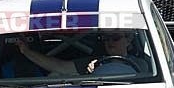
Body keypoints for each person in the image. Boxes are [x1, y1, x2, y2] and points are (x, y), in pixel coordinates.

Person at [14, 31, 150, 76]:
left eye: (115, 38)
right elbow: (59, 67)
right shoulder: (93, 63)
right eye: (105, 38)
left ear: (128, 40)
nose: (110, 42)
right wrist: (26, 51)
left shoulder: (142, 65)